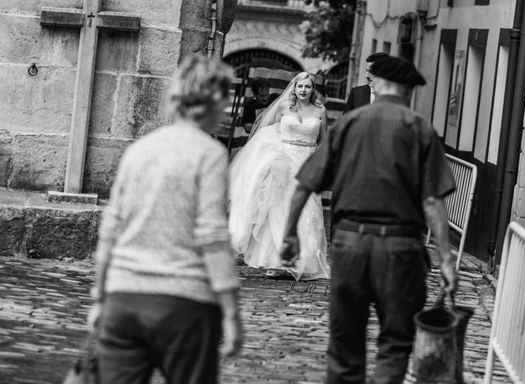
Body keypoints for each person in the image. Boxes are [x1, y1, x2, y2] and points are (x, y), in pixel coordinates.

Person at [281, 55, 459, 384]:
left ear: (381, 84)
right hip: (400, 247)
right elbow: (432, 200)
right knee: (395, 341)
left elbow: (305, 183)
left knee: (345, 341)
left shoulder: (350, 124)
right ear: (404, 88)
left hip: (349, 244)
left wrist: (290, 234)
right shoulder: (419, 128)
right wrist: (446, 260)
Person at [88, 54, 243, 384]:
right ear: (215, 101)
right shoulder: (209, 154)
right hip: (184, 304)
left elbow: (110, 229)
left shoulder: (139, 150)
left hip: (124, 300)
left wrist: (100, 298)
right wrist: (230, 311)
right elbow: (212, 234)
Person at [229, 71, 330, 281]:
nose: (303, 90)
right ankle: (275, 260)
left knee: (306, 210)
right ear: (294, 88)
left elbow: (323, 141)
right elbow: (266, 131)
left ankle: (302, 261)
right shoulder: (284, 107)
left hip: (306, 162)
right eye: (300, 86)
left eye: (308, 87)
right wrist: (271, 155)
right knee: (279, 208)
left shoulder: (320, 111)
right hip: (283, 162)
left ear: (313, 89)